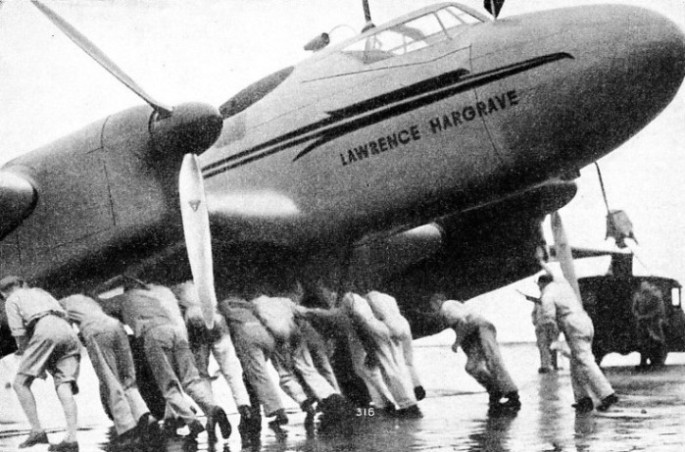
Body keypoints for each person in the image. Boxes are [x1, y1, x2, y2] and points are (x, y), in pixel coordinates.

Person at [109, 278, 230, 441]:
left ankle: (192, 422)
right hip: (177, 331)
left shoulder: (124, 298)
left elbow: (102, 307)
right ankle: (212, 409)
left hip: (154, 334)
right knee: (191, 380)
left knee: (168, 386)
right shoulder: (152, 296)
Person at [59, 294, 156, 447]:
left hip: (95, 331)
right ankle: (144, 414)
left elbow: (67, 333)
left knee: (110, 381)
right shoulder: (86, 299)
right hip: (116, 326)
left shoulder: (60, 305)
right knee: (127, 378)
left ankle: (126, 429)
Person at [1, 276, 81, 452]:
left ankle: (37, 431)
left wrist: (25, 354)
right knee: (63, 384)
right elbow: (65, 314)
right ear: (23, 284)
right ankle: (71, 438)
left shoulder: (12, 300)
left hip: (44, 328)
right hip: (67, 331)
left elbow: (19, 334)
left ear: (3, 293)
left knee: (20, 383)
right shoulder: (40, 292)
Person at [537, 258, 619, 413]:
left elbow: (549, 320)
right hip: (585, 321)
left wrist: (554, 340)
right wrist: (540, 261)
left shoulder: (547, 295)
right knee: (576, 363)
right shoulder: (562, 284)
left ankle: (607, 394)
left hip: (573, 325)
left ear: (541, 284)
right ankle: (583, 399)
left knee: (583, 359)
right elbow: (554, 272)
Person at [172, 282, 252, 440]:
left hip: (194, 321)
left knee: (201, 374)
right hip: (216, 319)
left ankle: (211, 413)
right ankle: (244, 406)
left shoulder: (176, 289)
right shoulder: (204, 282)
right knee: (231, 369)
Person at [219, 296, 289, 442]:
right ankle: (253, 416)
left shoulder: (223, 306)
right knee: (252, 377)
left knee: (257, 376)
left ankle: (276, 410)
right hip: (264, 335)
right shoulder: (246, 305)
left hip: (246, 335)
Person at [435, 295, 521, 415]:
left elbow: (463, 322)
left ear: (438, 301)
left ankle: (512, 394)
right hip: (472, 333)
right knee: (472, 366)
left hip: (480, 327)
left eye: (433, 304)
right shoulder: (449, 310)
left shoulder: (447, 306)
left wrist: (457, 342)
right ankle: (495, 390)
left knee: (493, 360)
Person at [365, 291, 425, 401]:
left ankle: (404, 393)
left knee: (394, 363)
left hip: (391, 327)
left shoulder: (369, 299)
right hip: (403, 324)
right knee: (408, 361)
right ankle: (417, 386)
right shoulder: (389, 297)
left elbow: (379, 316)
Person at [632, 281, 667, 369]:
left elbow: (658, 309)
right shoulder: (638, 296)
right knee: (643, 344)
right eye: (644, 291)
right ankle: (643, 363)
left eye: (647, 291)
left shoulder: (655, 297)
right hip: (642, 324)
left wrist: (647, 316)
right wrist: (639, 316)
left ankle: (657, 362)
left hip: (653, 323)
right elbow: (634, 309)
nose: (645, 293)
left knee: (656, 342)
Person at [532, 301, 559, 373]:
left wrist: (535, 322)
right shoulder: (553, 300)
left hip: (544, 324)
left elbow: (533, 315)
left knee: (544, 346)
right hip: (547, 324)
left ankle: (546, 366)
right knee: (549, 345)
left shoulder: (538, 302)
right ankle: (551, 365)